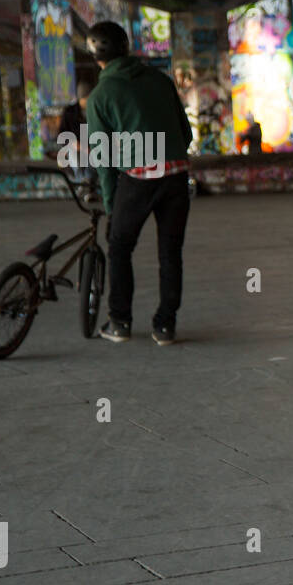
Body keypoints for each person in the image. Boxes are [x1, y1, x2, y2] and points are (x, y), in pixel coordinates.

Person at [85, 21, 194, 346]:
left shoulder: (100, 96)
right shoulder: (160, 81)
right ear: (126, 47)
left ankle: (119, 322)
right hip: (176, 176)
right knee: (170, 252)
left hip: (138, 180)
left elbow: (103, 160)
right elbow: (185, 134)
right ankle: (165, 327)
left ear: (95, 57)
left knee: (119, 247)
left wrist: (110, 205)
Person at [56, 69, 96, 181]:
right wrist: (74, 144)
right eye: (86, 99)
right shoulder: (70, 112)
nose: (88, 101)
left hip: (92, 149)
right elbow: (61, 135)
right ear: (80, 98)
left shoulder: (95, 111)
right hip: (76, 150)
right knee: (74, 155)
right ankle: (82, 181)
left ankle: (88, 182)